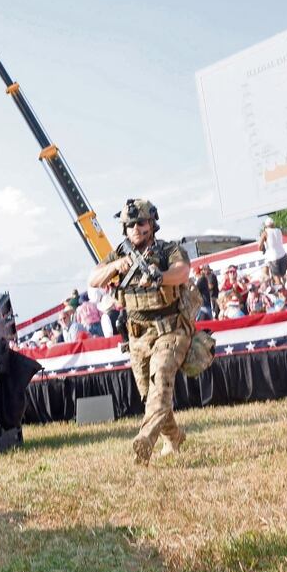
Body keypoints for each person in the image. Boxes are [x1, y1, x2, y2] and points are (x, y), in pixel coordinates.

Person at [88, 198, 192, 466]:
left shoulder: (168, 249)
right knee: (150, 394)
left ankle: (145, 439)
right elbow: (93, 279)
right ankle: (175, 437)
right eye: (130, 224)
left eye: (141, 222)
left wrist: (160, 276)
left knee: (161, 384)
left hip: (169, 330)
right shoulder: (119, 255)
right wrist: (114, 266)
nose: (135, 227)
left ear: (152, 224)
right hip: (137, 336)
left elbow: (182, 272)